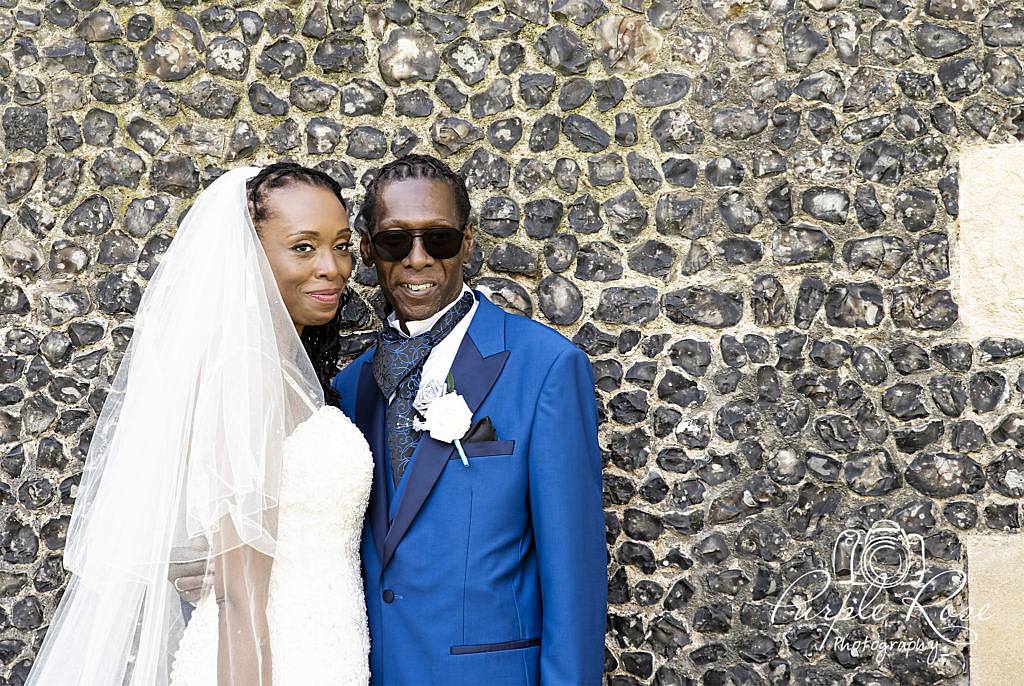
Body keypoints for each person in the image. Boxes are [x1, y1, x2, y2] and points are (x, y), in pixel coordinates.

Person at [26, 163, 373, 686]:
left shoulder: (286, 367)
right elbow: (238, 597)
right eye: (303, 247)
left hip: (324, 647)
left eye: (341, 244)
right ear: (249, 256)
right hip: (271, 659)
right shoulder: (247, 368)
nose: (333, 266)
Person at [332, 154, 607, 685]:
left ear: (468, 242)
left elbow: (574, 575)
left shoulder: (546, 367)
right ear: (368, 250)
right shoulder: (351, 387)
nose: (417, 259)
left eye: (438, 239)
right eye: (394, 241)